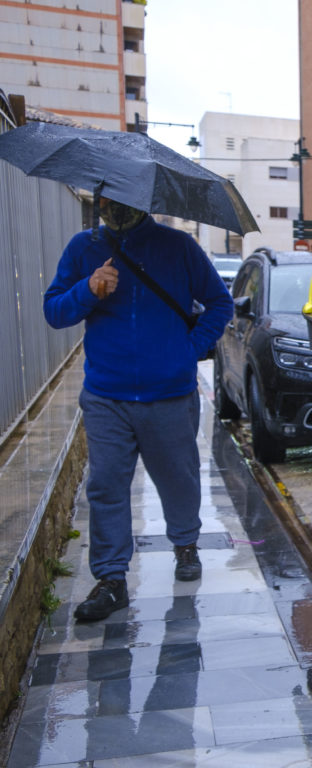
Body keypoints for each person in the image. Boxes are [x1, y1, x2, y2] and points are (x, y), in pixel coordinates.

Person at [43, 197, 233, 622]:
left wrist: (188, 351)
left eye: (120, 199)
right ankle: (111, 579)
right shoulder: (82, 247)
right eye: (104, 198)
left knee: (178, 478)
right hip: (106, 395)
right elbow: (54, 311)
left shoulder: (178, 246)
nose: (111, 206)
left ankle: (185, 546)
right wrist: (87, 289)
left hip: (169, 392)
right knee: (106, 486)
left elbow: (220, 302)